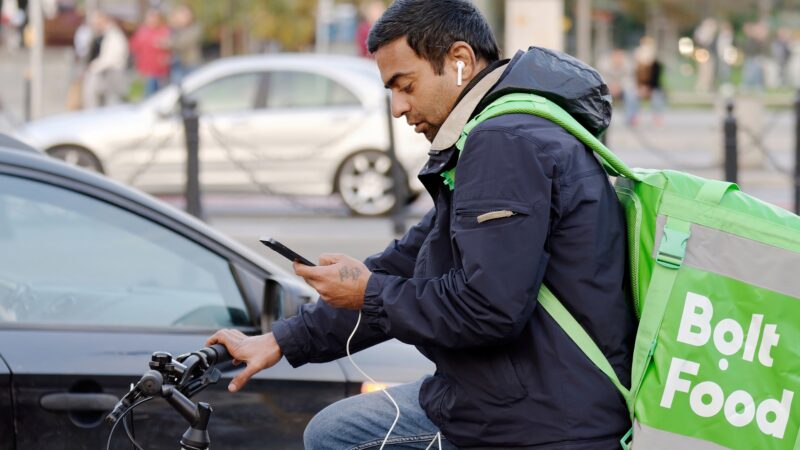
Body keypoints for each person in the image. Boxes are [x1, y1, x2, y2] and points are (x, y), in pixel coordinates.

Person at [207, 1, 634, 449]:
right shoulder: (494, 133)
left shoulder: (504, 142)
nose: (397, 108)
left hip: (537, 419)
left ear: (460, 62)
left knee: (336, 437)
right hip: (509, 394)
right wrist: (282, 340)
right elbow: (412, 259)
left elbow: (486, 308)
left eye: (404, 86)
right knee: (334, 431)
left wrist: (368, 292)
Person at [82, 10, 128, 109]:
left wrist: (94, 66)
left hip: (112, 74)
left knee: (113, 104)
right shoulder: (105, 35)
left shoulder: (114, 36)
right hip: (106, 73)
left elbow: (110, 59)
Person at [129, 8, 171, 97]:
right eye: (150, 17)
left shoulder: (164, 30)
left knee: (161, 95)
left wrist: (165, 46)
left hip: (160, 70)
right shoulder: (141, 31)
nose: (152, 20)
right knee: (148, 95)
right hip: (145, 69)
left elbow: (171, 47)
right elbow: (133, 47)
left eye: (154, 17)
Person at [165, 4, 202, 84]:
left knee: (192, 87)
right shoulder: (176, 29)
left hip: (191, 63)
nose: (183, 17)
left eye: (185, 15)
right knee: (176, 89)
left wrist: (169, 42)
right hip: (178, 64)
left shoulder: (195, 28)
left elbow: (182, 43)